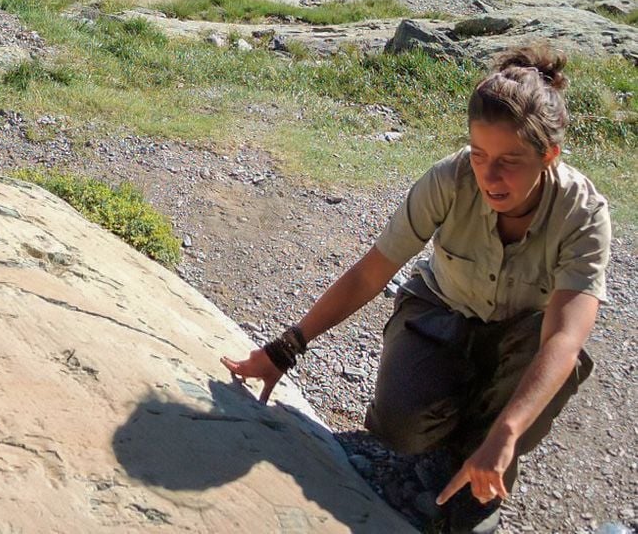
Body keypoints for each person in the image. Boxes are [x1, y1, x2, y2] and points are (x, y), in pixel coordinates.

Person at [221, 46, 611, 534]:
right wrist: (285, 348)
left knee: (559, 362)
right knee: (399, 431)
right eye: (479, 154)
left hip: (520, 339)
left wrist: (507, 433)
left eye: (510, 160)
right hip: (441, 313)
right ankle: (463, 439)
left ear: (548, 155)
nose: (489, 176)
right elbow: (371, 272)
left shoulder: (584, 214)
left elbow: (565, 337)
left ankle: (484, 462)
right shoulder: (449, 180)